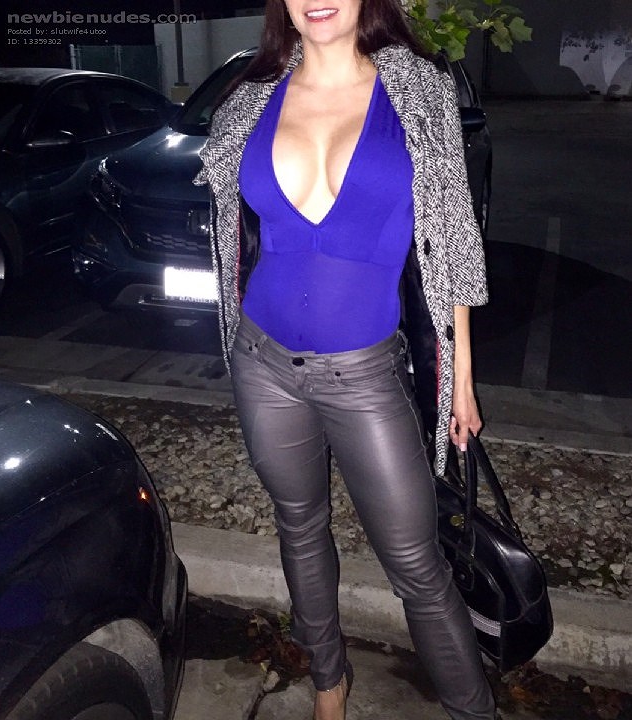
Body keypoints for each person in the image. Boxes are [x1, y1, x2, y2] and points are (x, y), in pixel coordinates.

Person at [193, 1, 495, 718]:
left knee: (417, 566)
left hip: (365, 375)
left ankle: (473, 710)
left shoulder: (417, 90)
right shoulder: (251, 98)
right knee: (298, 526)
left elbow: (453, 237)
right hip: (262, 361)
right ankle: (328, 686)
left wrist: (461, 380)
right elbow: (226, 224)